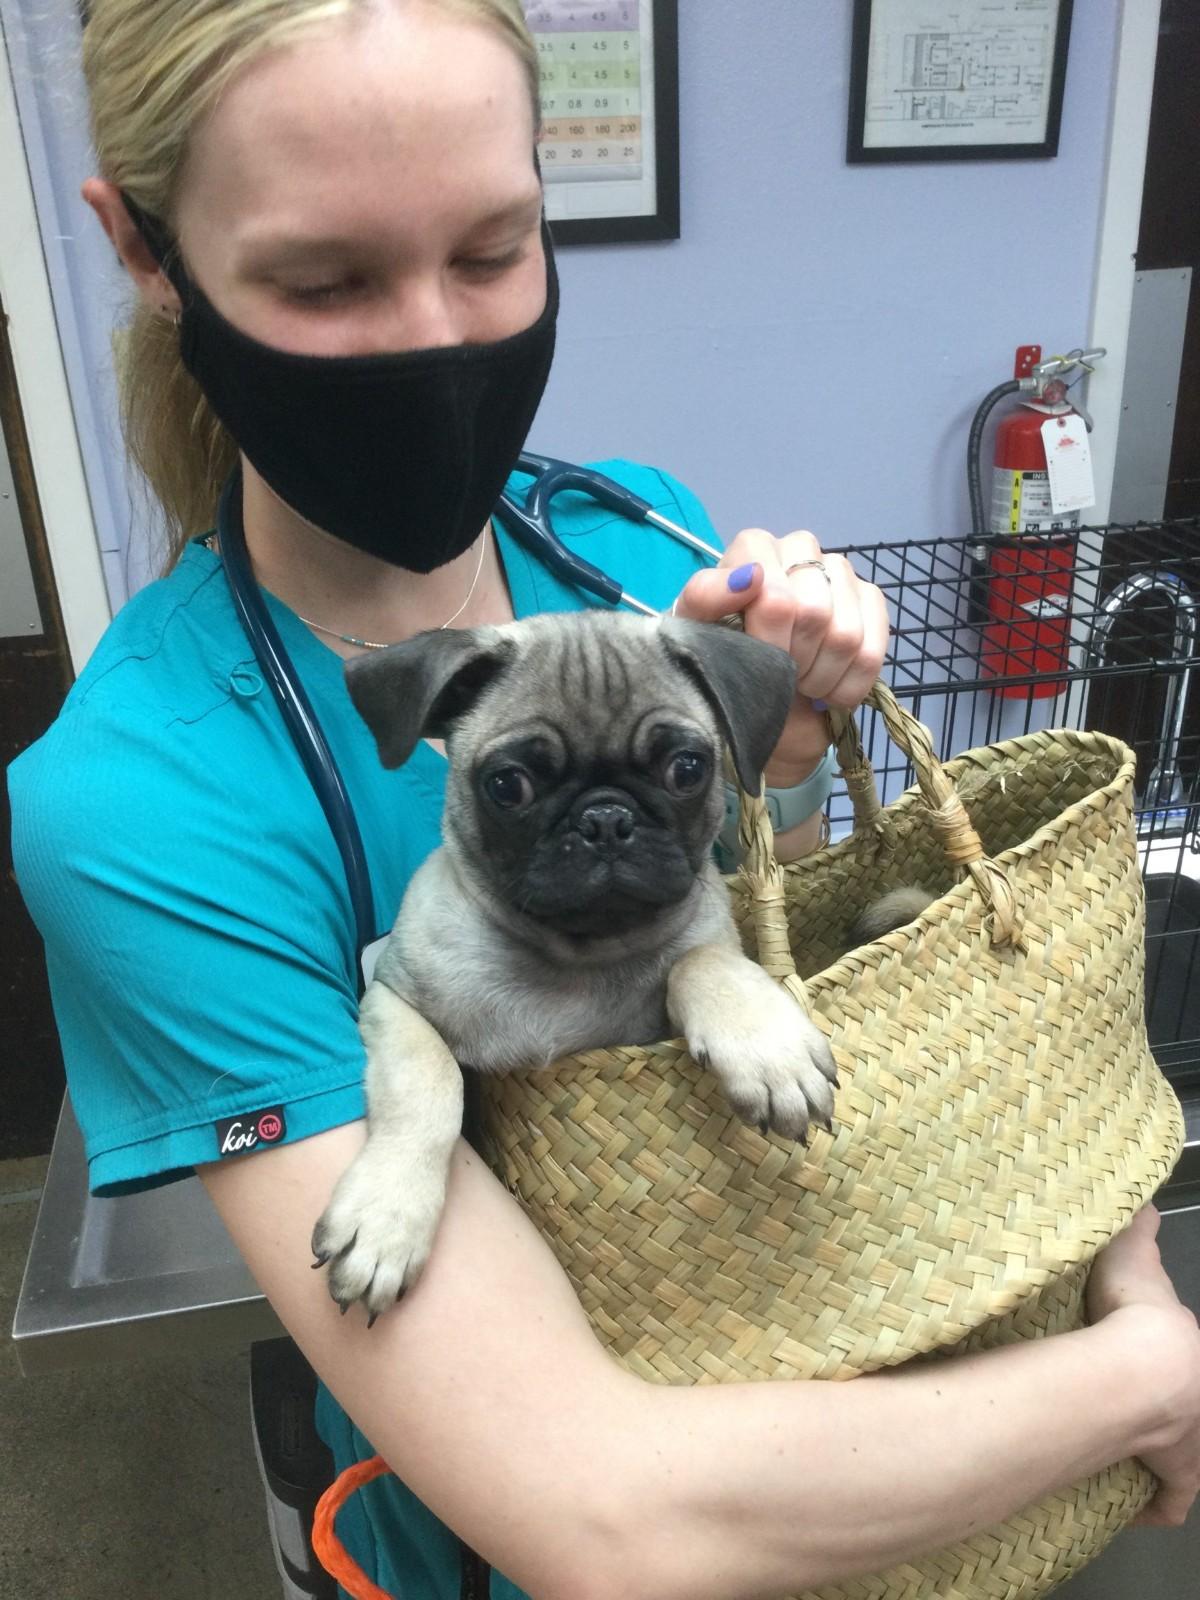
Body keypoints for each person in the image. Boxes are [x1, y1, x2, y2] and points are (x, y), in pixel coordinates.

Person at [8, 2, 1200, 1597]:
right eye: (327, 277)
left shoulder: (643, 548)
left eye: (495, 248)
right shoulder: (140, 802)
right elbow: (607, 1524)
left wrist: (777, 762)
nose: (437, 335)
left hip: (872, 1378)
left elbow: (798, 936)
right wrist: (1147, 1375)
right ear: (147, 252)